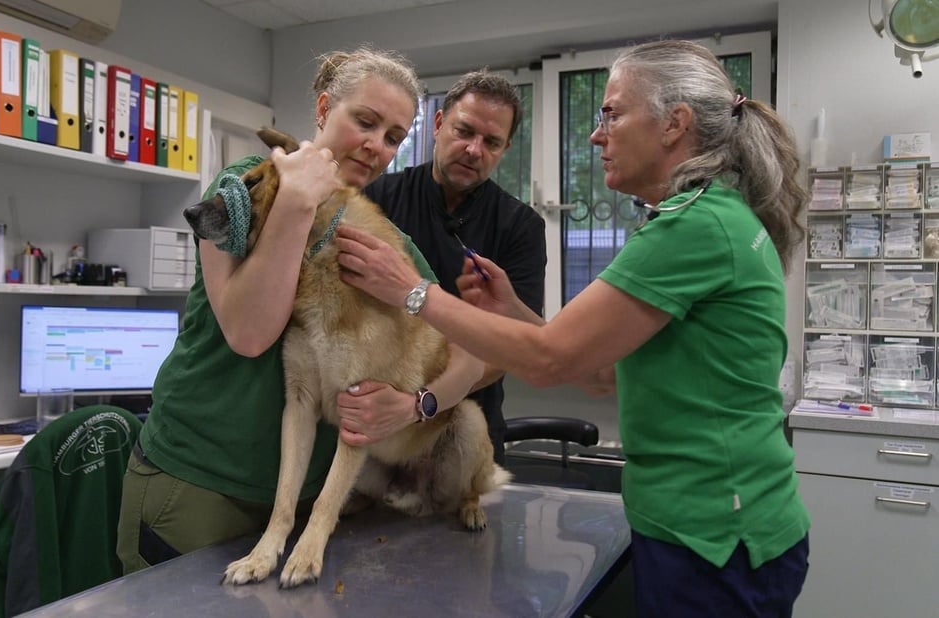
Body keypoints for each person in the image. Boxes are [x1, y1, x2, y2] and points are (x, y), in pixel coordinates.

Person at [335, 39, 811, 617]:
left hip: (715, 533)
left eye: (612, 113)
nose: (595, 134)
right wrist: (511, 308)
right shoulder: (715, 215)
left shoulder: (695, 227)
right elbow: (602, 373)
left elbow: (550, 361)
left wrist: (410, 291)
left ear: (673, 125)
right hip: (713, 524)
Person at [116, 47, 485, 575]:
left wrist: (415, 406)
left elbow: (470, 354)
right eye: (365, 121)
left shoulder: (382, 239)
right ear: (322, 108)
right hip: (198, 485)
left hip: (308, 502)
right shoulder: (248, 187)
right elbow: (249, 333)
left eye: (394, 137)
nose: (375, 145)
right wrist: (296, 200)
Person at [348, 70, 546, 464]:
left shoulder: (520, 226)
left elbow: (508, 348)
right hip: (373, 428)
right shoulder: (376, 198)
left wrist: (418, 402)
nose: (474, 150)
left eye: (491, 142)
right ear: (438, 125)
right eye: (464, 131)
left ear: (505, 149)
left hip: (464, 436)